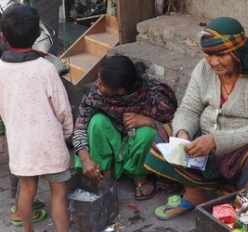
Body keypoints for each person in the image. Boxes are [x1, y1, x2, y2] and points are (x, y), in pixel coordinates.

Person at [145, 16, 248, 219]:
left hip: (241, 147)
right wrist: (183, 134)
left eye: (221, 55)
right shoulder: (204, 69)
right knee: (166, 134)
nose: (213, 62)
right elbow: (188, 108)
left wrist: (215, 141)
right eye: (208, 55)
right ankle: (195, 194)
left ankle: (241, 204)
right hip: (205, 140)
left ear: (237, 53)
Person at [0, 3, 96, 232]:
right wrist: (69, 133)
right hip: (50, 143)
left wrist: (4, 133)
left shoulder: (0, 70)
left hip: (21, 144)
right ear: (38, 32)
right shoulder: (45, 68)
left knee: (26, 189)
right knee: (58, 193)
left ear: (3, 37)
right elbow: (62, 109)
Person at [74, 55, 178, 200]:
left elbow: (177, 128)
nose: (97, 85)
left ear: (121, 91)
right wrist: (85, 159)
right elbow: (80, 127)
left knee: (147, 133)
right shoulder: (96, 95)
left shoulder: (155, 96)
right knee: (97, 121)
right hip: (114, 143)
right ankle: (104, 171)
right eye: (98, 80)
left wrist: (150, 122)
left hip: (136, 149)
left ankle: (139, 175)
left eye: (103, 84)